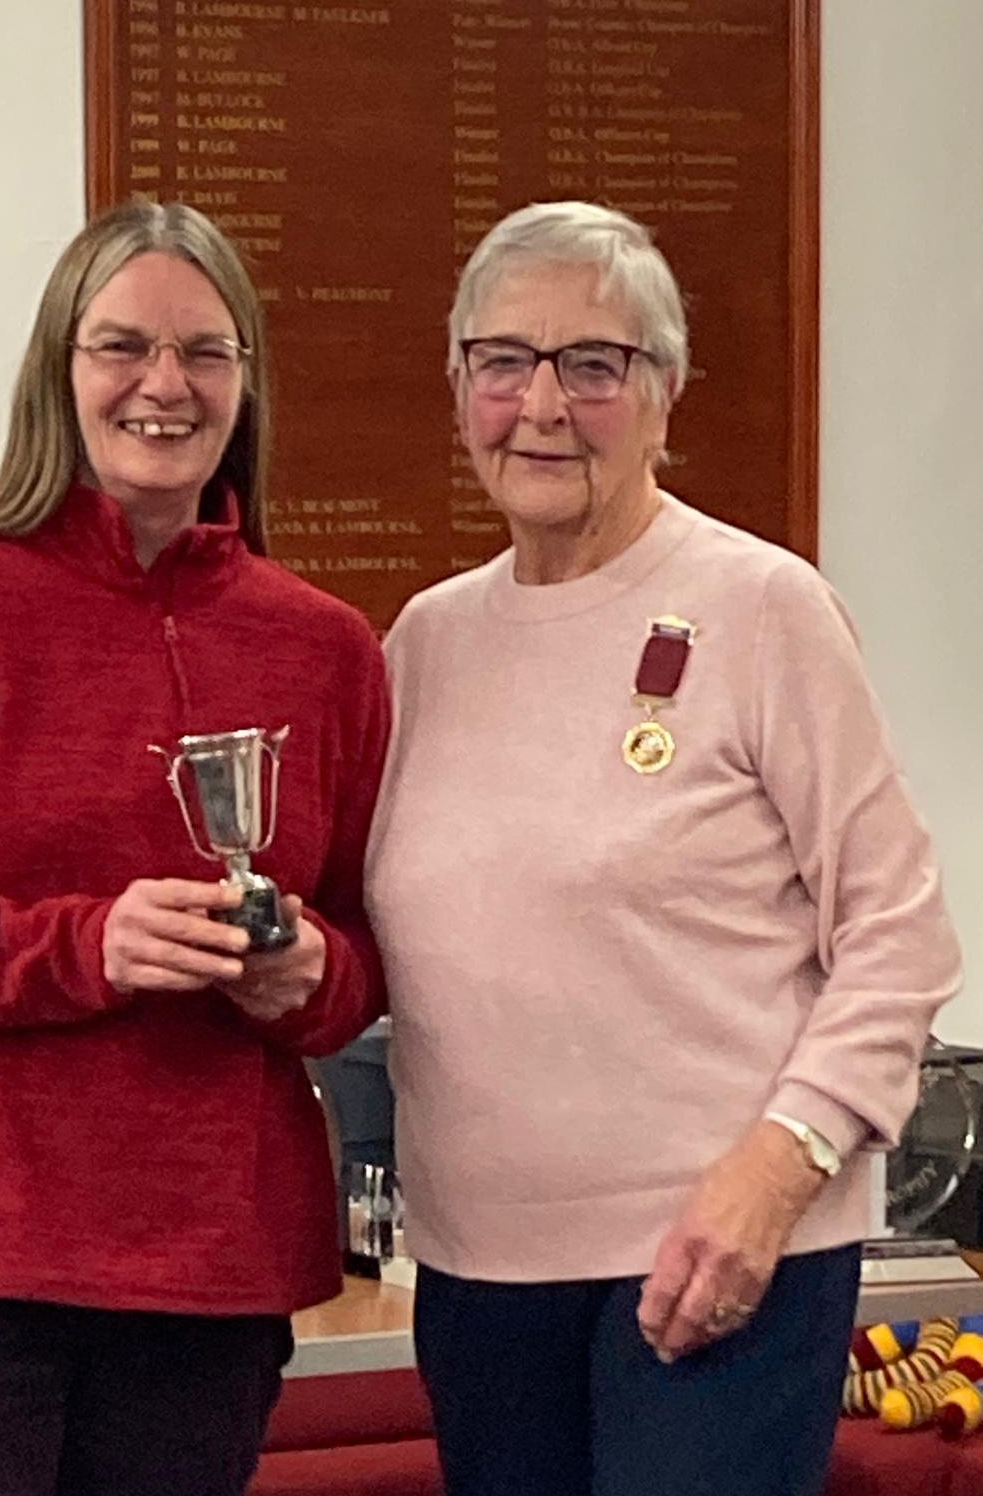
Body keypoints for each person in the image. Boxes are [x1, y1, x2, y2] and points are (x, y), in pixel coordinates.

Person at [0, 200, 389, 1496]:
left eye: (204, 352)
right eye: (122, 346)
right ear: (60, 372)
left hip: (208, 1279)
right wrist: (87, 944)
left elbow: (364, 954)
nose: (163, 385)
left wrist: (308, 980)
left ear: (246, 381)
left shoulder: (327, 648)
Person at [364, 200, 962, 1496]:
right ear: (459, 384)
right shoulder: (420, 646)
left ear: (664, 394)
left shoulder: (763, 611)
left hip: (720, 1268)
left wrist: (778, 1167)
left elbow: (899, 934)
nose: (542, 404)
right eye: (503, 361)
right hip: (477, 1279)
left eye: (595, 364)